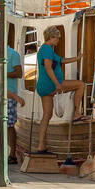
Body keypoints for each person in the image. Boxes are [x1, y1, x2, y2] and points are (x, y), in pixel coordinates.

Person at [35, 26, 83, 156]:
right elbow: (48, 67)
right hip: (50, 84)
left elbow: (62, 60)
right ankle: (77, 113)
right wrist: (57, 84)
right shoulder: (46, 49)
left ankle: (41, 145)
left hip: (43, 86)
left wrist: (77, 59)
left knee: (47, 115)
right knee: (80, 85)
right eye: (57, 38)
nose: (58, 41)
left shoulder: (46, 49)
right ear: (51, 37)